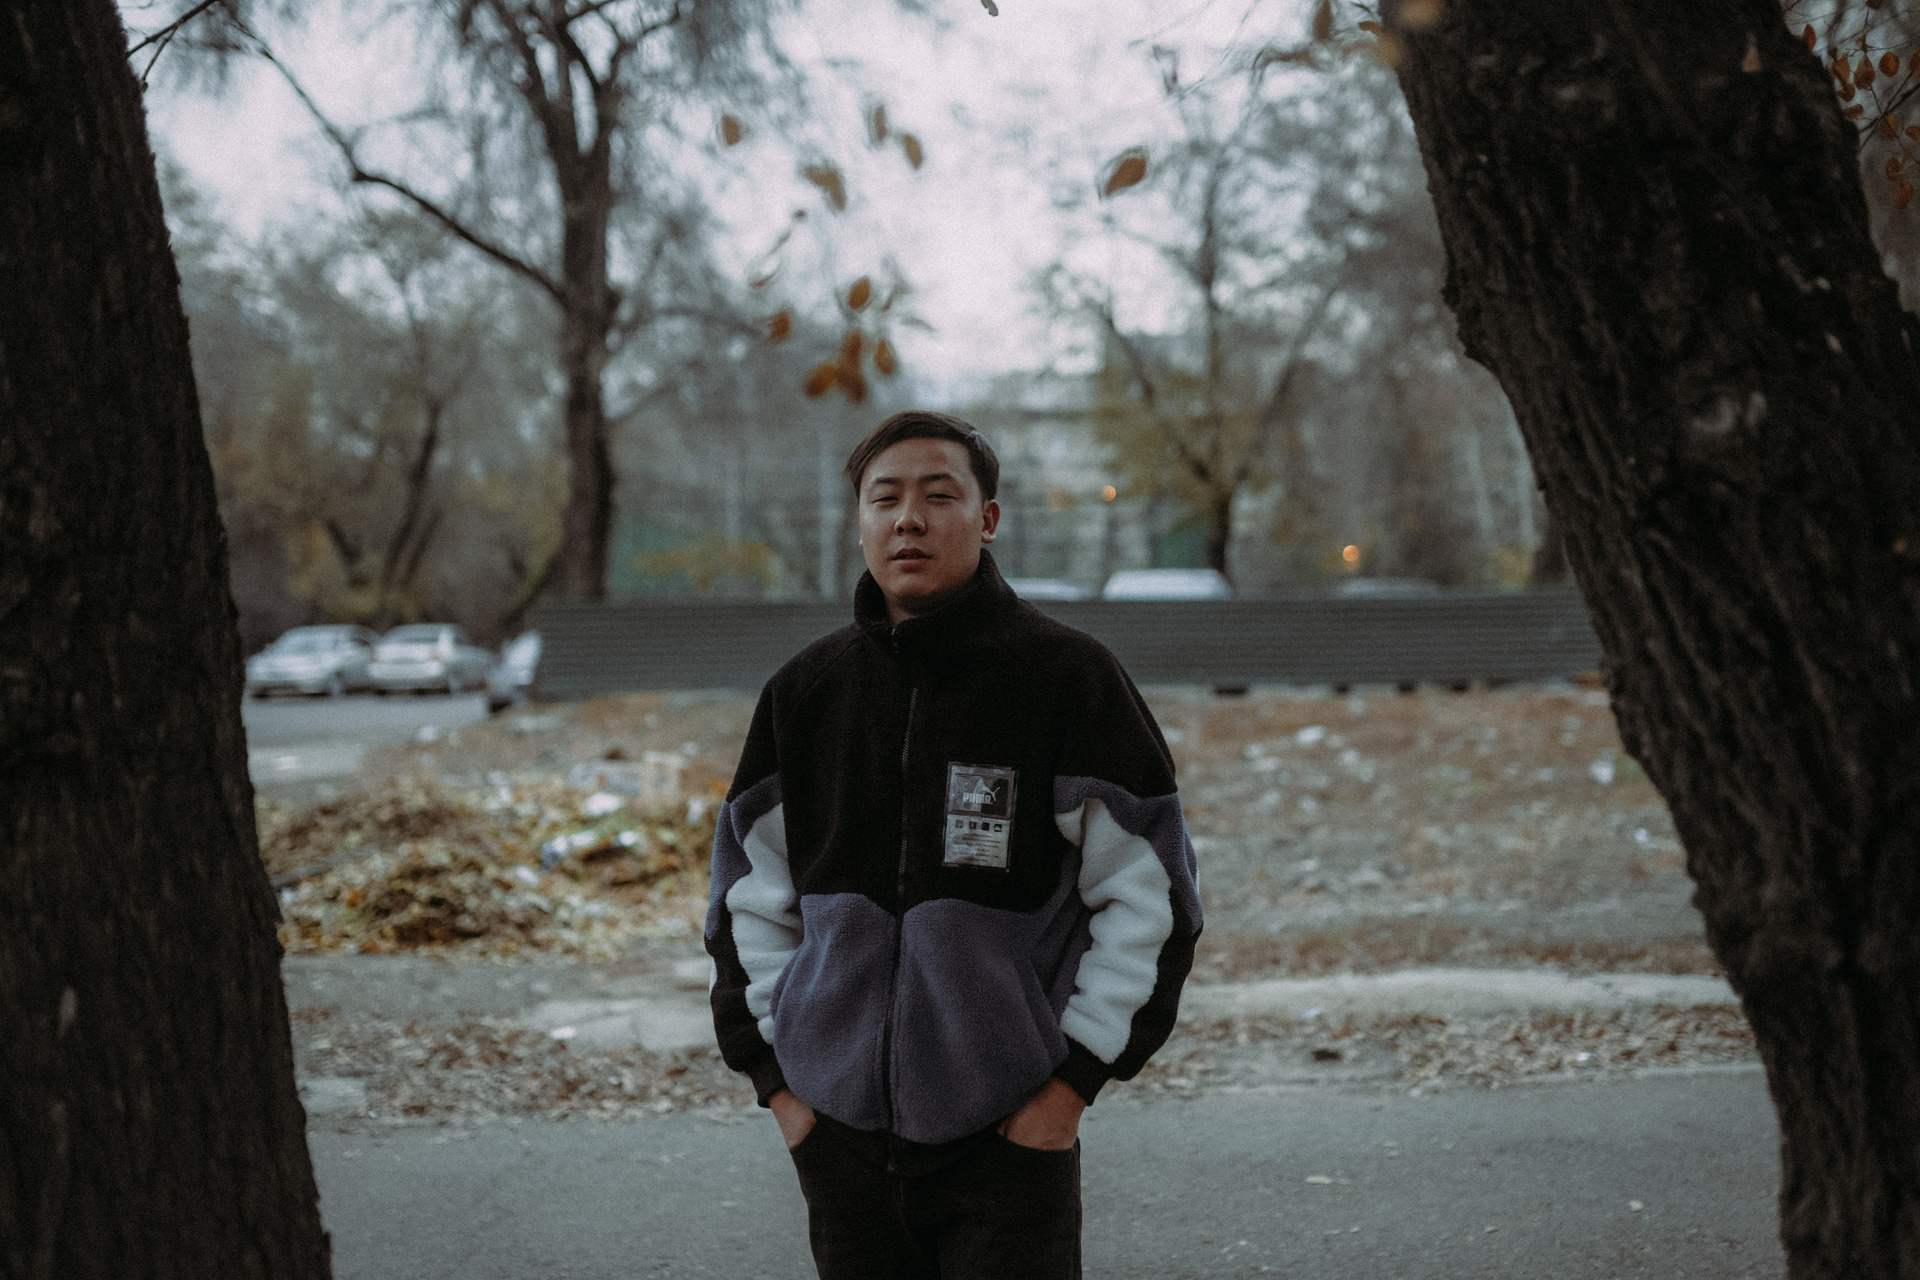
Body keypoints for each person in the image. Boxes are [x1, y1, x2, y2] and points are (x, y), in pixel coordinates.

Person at [703, 410, 1202, 1280]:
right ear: (859, 522)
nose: (909, 519)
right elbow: (749, 900)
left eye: (939, 496)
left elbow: (1148, 898)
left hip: (1010, 1140)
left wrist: (1067, 1091)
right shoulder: (806, 695)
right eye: (885, 499)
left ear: (988, 517)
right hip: (840, 1143)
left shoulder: (1068, 680)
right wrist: (784, 1089)